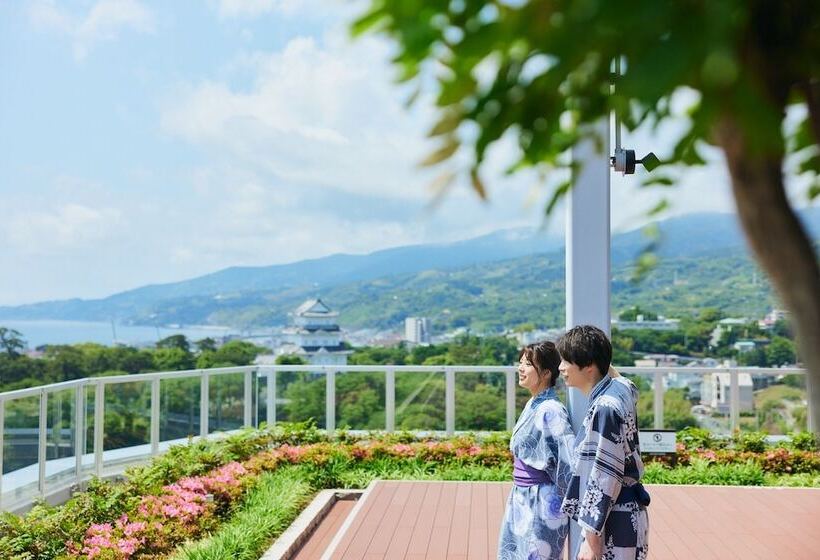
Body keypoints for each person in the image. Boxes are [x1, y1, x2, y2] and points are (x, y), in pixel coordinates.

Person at [557, 326, 649, 560]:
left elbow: (604, 477)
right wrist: (597, 350)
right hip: (628, 512)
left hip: (614, 521)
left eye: (567, 361)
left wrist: (591, 541)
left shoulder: (605, 408)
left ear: (589, 366)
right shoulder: (620, 389)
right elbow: (624, 381)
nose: (561, 368)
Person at [498, 341, 575, 560]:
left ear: (547, 373)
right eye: (520, 362)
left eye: (528, 364)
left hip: (542, 501)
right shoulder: (535, 403)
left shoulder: (551, 410)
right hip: (523, 497)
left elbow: (567, 462)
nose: (521, 368)